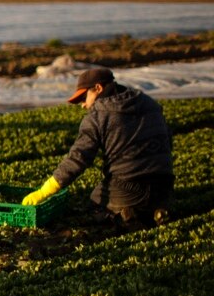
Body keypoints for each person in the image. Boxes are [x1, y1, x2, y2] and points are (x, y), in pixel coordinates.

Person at [21, 67, 173, 229]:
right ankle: (156, 210)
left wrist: (44, 191)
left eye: (83, 97)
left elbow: (78, 158)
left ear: (99, 88)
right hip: (165, 185)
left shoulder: (98, 115)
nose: (83, 105)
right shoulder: (149, 102)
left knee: (95, 202)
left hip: (128, 186)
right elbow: (168, 140)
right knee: (141, 196)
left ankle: (125, 216)